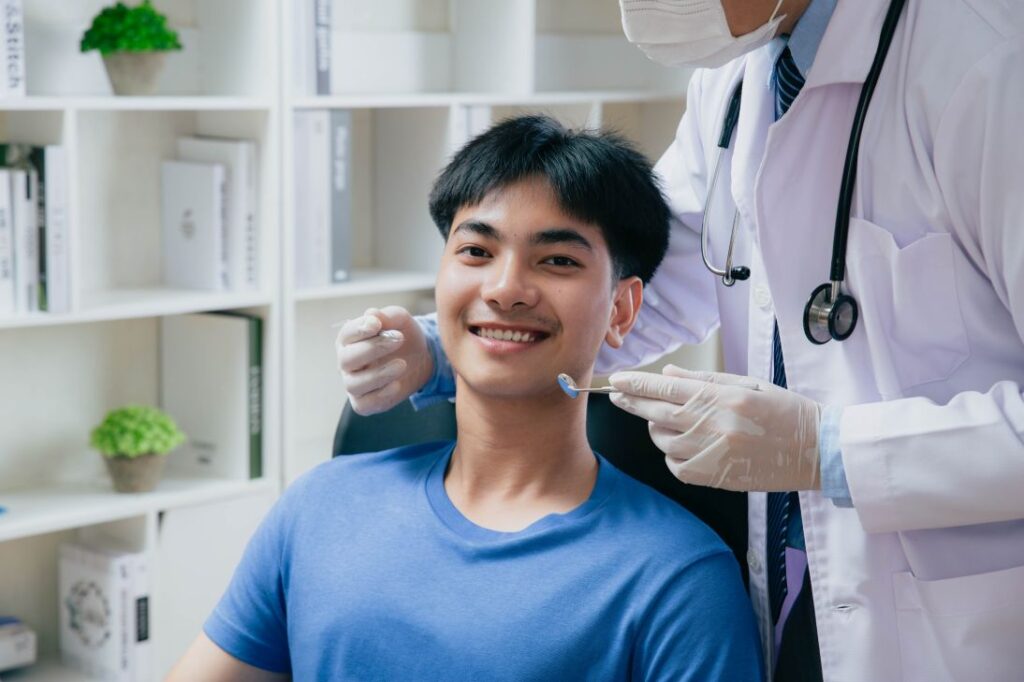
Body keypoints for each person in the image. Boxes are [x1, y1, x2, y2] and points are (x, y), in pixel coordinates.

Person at [336, 1, 1024, 680]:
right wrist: (446, 346)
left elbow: (608, 291)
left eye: (546, 260)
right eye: (476, 254)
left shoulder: (991, 62)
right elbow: (642, 284)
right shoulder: (736, 76)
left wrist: (829, 451)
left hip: (970, 618)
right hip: (799, 583)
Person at [168, 115, 763, 681]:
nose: (505, 290)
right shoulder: (318, 507)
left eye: (557, 260)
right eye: (476, 252)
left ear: (622, 308)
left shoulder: (678, 580)